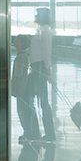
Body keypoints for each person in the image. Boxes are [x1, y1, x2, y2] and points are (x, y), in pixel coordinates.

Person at [26, 8, 56, 141]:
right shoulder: (40, 30)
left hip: (40, 69)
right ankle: (45, 133)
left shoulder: (45, 31)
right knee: (40, 102)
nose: (35, 16)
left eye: (38, 14)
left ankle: (49, 134)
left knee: (42, 102)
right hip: (37, 68)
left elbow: (46, 52)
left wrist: (47, 71)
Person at [11, 34, 39, 142]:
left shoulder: (21, 57)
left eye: (17, 40)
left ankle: (29, 133)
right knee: (25, 110)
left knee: (24, 111)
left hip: (22, 89)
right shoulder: (23, 55)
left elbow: (18, 75)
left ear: (21, 43)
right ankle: (29, 132)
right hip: (23, 88)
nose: (14, 41)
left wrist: (14, 88)